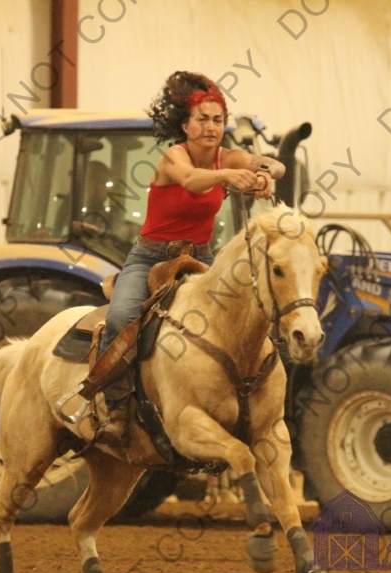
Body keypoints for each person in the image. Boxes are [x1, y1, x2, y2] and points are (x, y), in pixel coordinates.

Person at [95, 71, 285, 447]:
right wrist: (229, 175)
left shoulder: (228, 156)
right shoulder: (175, 156)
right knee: (121, 317)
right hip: (150, 256)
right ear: (186, 125)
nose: (211, 126)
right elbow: (190, 180)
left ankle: (238, 400)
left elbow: (275, 165)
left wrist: (265, 176)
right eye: (203, 119)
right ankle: (112, 408)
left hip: (201, 255)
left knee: (247, 312)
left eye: (218, 120)